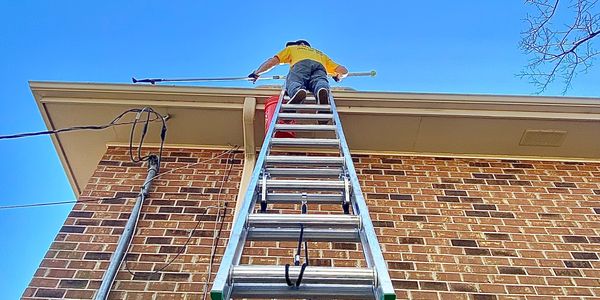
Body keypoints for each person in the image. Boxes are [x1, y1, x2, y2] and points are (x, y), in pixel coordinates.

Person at [248, 40, 348, 106]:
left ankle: (297, 91)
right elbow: (344, 70)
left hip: (300, 65)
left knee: (294, 80)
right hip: (320, 66)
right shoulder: (321, 54)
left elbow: (272, 62)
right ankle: (322, 90)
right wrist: (338, 77)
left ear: (302, 45)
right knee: (320, 81)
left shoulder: (292, 49)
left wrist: (257, 73)